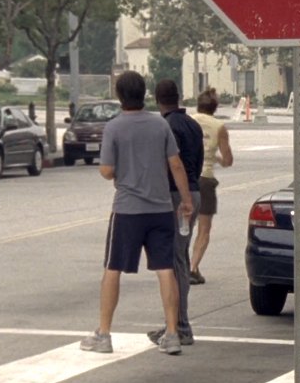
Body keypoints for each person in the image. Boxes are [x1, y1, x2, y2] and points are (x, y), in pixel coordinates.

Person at [80, 71, 194, 356]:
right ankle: (171, 333)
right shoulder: (159, 125)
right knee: (165, 268)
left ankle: (104, 333)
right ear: (145, 95)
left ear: (119, 96)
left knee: (113, 269)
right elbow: (176, 165)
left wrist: (123, 170)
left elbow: (106, 171)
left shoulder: (115, 128)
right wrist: (186, 200)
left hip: (128, 210)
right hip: (160, 208)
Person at [147, 79, 204, 347]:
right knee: (177, 256)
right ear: (178, 97)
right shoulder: (192, 124)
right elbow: (199, 160)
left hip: (176, 197)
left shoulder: (165, 126)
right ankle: (174, 324)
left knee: (174, 259)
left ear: (157, 100)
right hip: (193, 192)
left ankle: (180, 326)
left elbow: (170, 164)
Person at [190, 88, 234, 285]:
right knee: (204, 228)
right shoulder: (219, 127)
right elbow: (228, 160)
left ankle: (179, 265)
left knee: (183, 226)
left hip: (187, 177)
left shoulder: (189, 121)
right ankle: (193, 267)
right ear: (215, 107)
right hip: (205, 180)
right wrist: (215, 157)